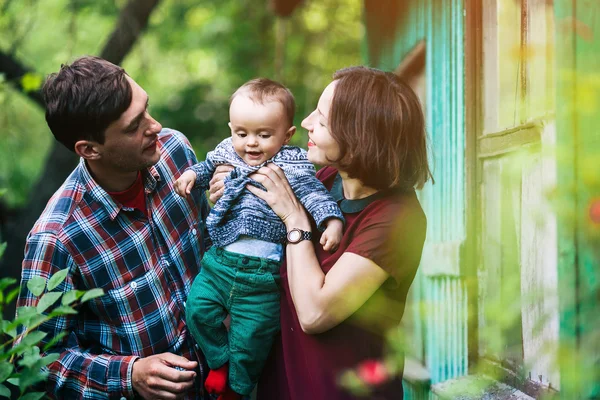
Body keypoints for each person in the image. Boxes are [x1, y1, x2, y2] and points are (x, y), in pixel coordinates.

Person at [15, 56, 212, 399]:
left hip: (223, 382)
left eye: (146, 109)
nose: (155, 126)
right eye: (135, 126)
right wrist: (129, 375)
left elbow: (212, 244)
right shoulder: (58, 236)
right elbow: (33, 358)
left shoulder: (176, 152)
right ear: (90, 149)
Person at [236, 66, 432, 399]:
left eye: (323, 121)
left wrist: (294, 220)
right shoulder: (324, 180)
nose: (308, 122)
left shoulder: (397, 219)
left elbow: (315, 313)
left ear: (358, 140)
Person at [174, 78, 344, 400]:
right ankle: (220, 362)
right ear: (231, 128)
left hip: (262, 275)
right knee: (197, 310)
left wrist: (331, 220)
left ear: (287, 134)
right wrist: (193, 175)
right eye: (242, 133)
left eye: (264, 135)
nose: (251, 143)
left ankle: (237, 389)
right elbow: (208, 165)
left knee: (253, 336)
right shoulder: (228, 150)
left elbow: (314, 194)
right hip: (219, 262)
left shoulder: (293, 164)